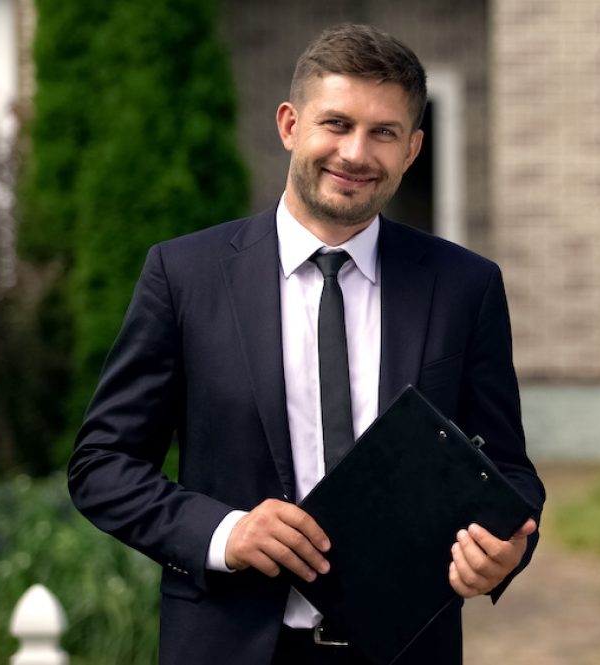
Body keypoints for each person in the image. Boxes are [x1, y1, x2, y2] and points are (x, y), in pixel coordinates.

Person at [67, 23, 544, 665]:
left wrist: (507, 548)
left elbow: (509, 472)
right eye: (336, 124)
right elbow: (102, 463)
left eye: (384, 133)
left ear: (412, 149)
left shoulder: (465, 286)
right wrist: (224, 532)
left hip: (406, 650)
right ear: (291, 125)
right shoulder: (184, 276)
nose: (356, 153)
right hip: (230, 646)